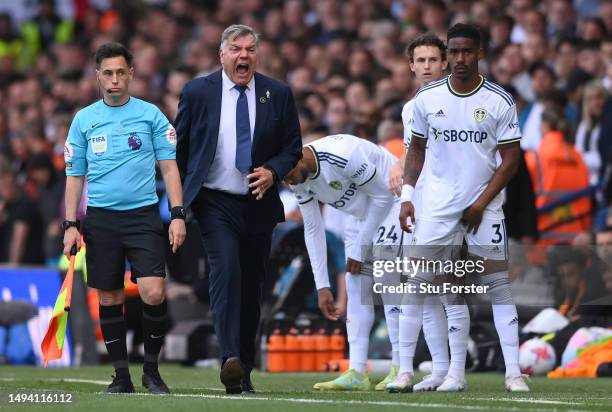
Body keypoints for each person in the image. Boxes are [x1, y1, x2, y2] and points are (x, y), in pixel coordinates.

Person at [398, 23, 529, 392]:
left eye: (466, 52)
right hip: (437, 209)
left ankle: (513, 373)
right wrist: (408, 196)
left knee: (497, 285)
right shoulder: (428, 98)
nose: (459, 59)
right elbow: (416, 151)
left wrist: (480, 203)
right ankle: (414, 371)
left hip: (484, 210)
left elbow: (511, 161)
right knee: (421, 285)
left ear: (480, 53)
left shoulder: (499, 100)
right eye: (453, 52)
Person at [174, 24, 302, 394]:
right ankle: (229, 356)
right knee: (225, 269)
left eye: (249, 49)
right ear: (222, 55)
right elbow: (178, 152)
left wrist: (273, 170)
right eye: (235, 49)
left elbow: (292, 147)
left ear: (256, 55)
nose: (243, 55)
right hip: (213, 200)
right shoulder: (198, 91)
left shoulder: (277, 93)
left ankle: (243, 369)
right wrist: (178, 207)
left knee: (252, 285)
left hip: (258, 201)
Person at [62, 43, 186, 394]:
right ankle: (121, 376)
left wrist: (177, 214)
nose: (114, 80)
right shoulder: (84, 120)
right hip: (101, 220)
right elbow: (75, 176)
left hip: (143, 215)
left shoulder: (151, 115)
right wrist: (71, 225)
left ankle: (151, 371)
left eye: (121, 72)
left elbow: (169, 167)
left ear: (131, 74)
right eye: (107, 73)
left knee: (153, 291)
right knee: (109, 298)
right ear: (97, 76)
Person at [284, 134, 400, 391]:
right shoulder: (295, 175)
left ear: (298, 157)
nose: (286, 181)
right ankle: (357, 372)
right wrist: (322, 285)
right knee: (355, 285)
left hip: (392, 202)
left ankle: (400, 368)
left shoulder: (342, 154)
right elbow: (313, 228)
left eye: (286, 174)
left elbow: (382, 196)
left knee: (387, 281)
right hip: (358, 215)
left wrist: (360, 249)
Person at [385, 33, 452, 393]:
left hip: (449, 207)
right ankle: (433, 369)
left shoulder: (459, 102)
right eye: (420, 61)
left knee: (443, 293)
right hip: (419, 206)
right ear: (411, 66)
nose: (426, 66)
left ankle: (439, 370)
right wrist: (400, 165)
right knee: (421, 291)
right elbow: (415, 152)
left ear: (444, 62)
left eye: (432, 60)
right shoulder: (411, 108)